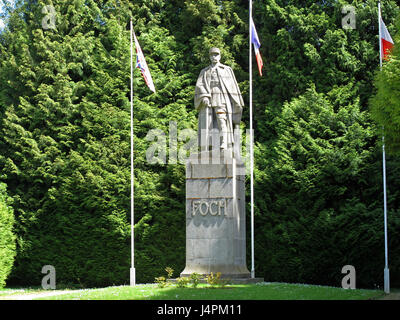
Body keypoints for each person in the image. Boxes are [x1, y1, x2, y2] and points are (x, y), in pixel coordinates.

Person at [194, 47, 244, 153]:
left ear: (220, 56)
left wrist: (235, 103)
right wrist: (204, 96)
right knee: (208, 123)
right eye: (212, 55)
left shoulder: (226, 70)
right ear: (209, 57)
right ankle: (208, 146)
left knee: (222, 120)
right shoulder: (204, 71)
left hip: (221, 97)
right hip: (208, 98)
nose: (214, 57)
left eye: (216, 55)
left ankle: (224, 142)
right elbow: (200, 85)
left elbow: (232, 86)